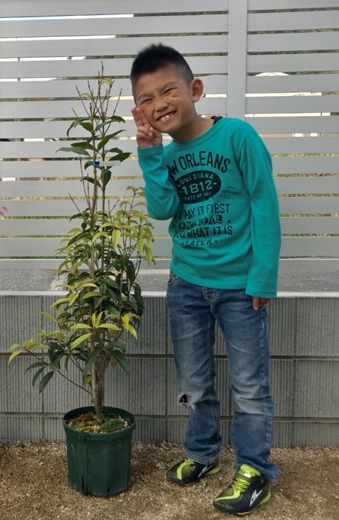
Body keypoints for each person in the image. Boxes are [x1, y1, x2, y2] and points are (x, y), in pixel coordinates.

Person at [130, 43, 281, 516]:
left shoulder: (237, 136)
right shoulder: (167, 154)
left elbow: (264, 204)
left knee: (250, 385)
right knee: (194, 381)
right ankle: (203, 453)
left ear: (194, 89)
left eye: (168, 90)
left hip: (240, 288)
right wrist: (150, 153)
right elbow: (162, 210)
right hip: (186, 285)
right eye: (147, 98)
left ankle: (255, 468)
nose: (160, 104)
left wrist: (263, 278)